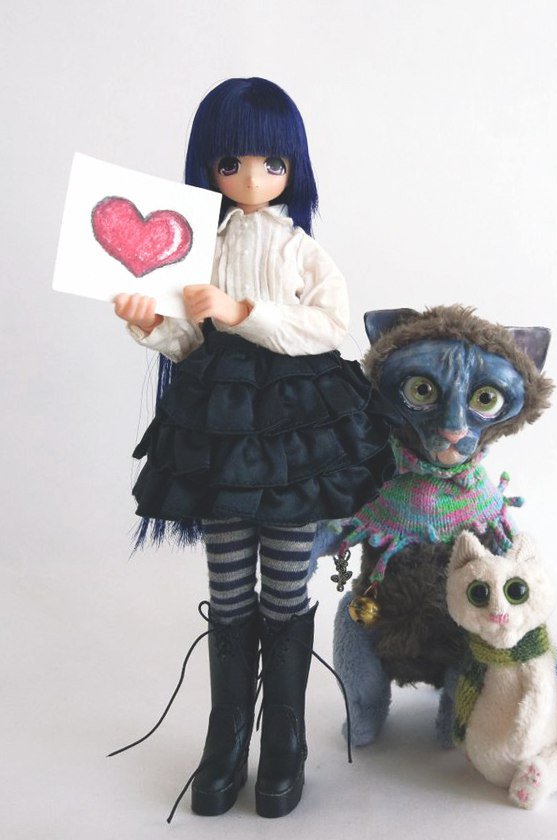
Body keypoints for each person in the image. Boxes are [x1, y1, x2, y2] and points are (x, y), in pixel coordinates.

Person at [113, 77, 395, 819]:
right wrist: (151, 322)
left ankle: (285, 738)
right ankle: (227, 733)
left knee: (286, 589)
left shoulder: (301, 249)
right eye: (230, 163)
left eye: (271, 163)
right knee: (230, 587)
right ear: (208, 168)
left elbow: (326, 327)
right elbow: (187, 341)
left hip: (294, 430)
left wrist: (243, 310)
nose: (250, 178)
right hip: (219, 427)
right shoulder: (197, 248)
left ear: (292, 168)